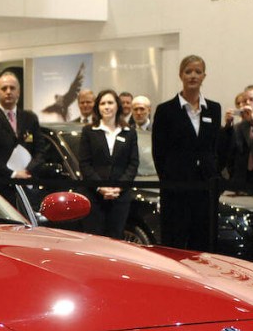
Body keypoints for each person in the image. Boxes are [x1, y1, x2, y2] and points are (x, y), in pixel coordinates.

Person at [151, 54, 222, 251]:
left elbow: (215, 147)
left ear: (204, 76)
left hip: (204, 188)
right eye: (188, 71)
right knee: (175, 241)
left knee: (202, 242)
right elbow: (159, 151)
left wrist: (213, 174)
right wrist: (168, 179)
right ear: (181, 75)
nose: (193, 76)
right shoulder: (166, 110)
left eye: (197, 72)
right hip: (176, 188)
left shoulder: (214, 110)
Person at [0, 71, 48, 203]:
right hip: (0, 187)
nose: (8, 91)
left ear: (18, 92)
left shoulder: (30, 118)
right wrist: (12, 174)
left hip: (28, 185)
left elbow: (40, 151)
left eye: (12, 88)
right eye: (4, 88)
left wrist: (27, 171)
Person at [76, 89, 139, 240]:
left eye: (110, 102)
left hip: (120, 197)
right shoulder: (89, 131)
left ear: (117, 106)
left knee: (116, 240)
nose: (106, 107)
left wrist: (118, 187)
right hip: (94, 196)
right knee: (94, 240)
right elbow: (84, 163)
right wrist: (101, 187)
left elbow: (133, 163)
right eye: (103, 103)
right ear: (98, 107)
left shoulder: (129, 132)